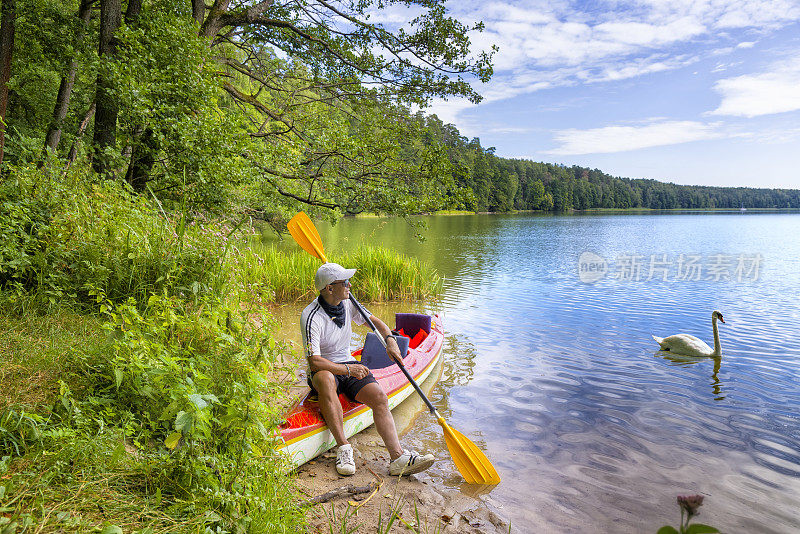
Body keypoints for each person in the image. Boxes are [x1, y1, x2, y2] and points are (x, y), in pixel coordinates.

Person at [301, 262, 435, 476]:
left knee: (380, 397)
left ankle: (397, 458)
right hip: (324, 370)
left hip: (348, 363)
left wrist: (390, 340)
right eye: (344, 282)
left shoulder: (348, 303)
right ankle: (343, 448)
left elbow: (377, 323)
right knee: (326, 378)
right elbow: (314, 362)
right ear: (329, 288)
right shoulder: (311, 316)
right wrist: (347, 371)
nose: (350, 285)